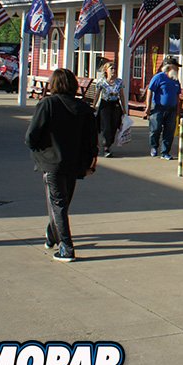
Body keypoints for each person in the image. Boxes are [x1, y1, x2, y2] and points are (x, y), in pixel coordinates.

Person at [25, 68, 99, 263]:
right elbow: (92, 140)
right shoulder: (84, 109)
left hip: (52, 162)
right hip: (74, 163)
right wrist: (90, 161)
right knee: (62, 203)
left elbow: (31, 136)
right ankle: (52, 236)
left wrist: (40, 151)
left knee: (58, 204)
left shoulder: (47, 104)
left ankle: (66, 247)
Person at [147, 60, 182, 160]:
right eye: (176, 67)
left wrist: (178, 109)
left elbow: (177, 95)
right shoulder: (158, 77)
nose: (177, 69)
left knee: (169, 131)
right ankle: (154, 146)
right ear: (169, 67)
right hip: (158, 108)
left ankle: (165, 152)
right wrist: (148, 106)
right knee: (155, 129)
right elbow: (150, 91)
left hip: (172, 109)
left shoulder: (176, 80)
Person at [92, 61, 125, 157]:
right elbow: (97, 95)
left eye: (115, 68)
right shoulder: (102, 82)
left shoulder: (119, 82)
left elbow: (122, 96)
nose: (113, 70)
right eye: (111, 68)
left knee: (114, 126)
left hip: (115, 105)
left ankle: (109, 143)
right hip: (105, 105)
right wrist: (93, 106)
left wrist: (124, 109)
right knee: (106, 126)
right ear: (106, 70)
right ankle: (106, 147)